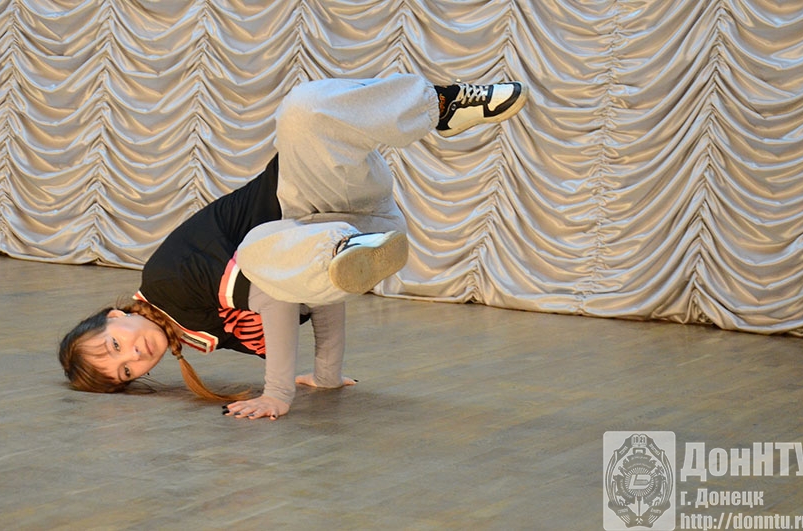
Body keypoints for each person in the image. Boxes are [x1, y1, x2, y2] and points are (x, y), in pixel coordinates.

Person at [58, 74, 528, 420]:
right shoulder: (199, 331)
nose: (134, 355)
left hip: (307, 194)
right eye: (126, 371)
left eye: (115, 345)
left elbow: (277, 295)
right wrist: (326, 374)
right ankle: (348, 246)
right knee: (299, 264)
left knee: (302, 112)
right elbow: (311, 293)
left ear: (115, 316)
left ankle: (441, 106)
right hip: (346, 224)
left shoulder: (167, 284)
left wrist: (277, 393)